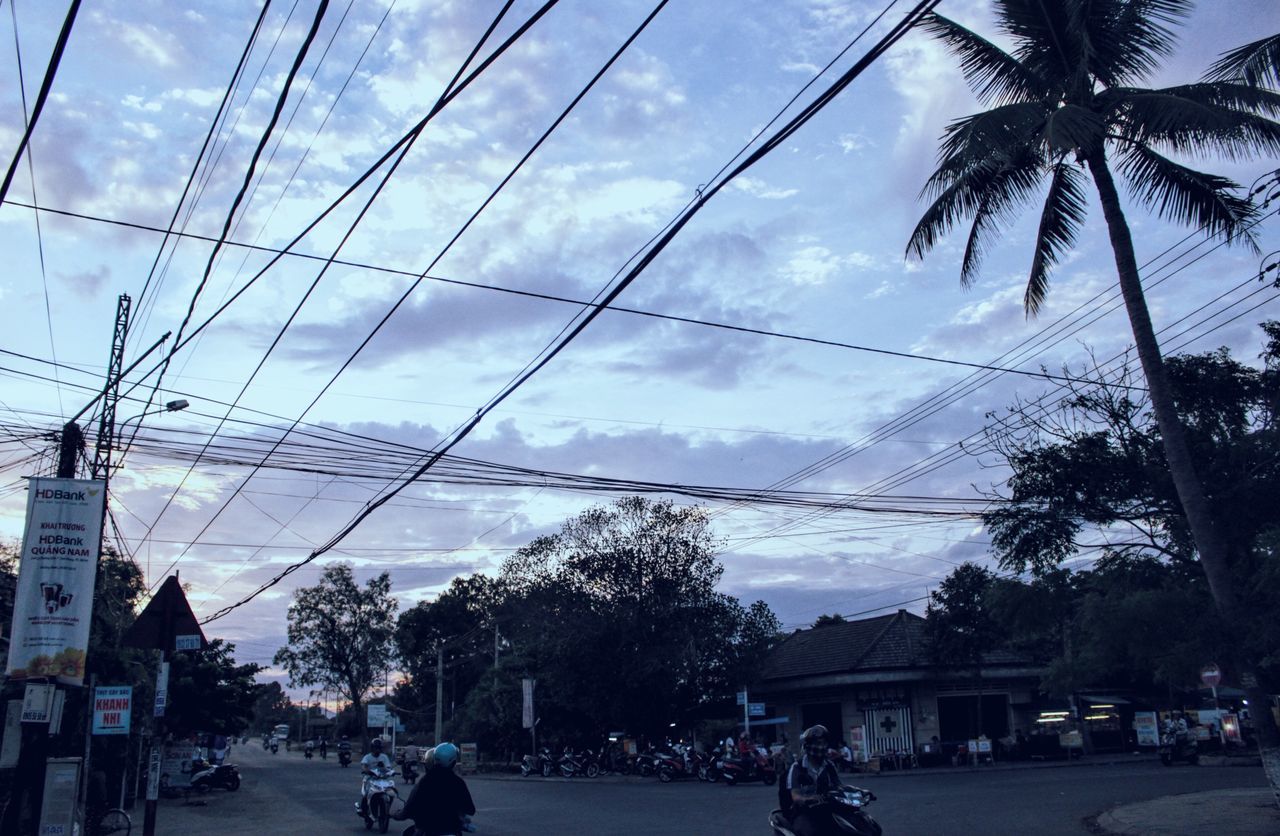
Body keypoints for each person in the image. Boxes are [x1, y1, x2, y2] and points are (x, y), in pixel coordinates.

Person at [395, 741, 476, 835]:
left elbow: (410, 806)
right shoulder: (458, 782)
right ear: (453, 763)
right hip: (452, 830)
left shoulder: (425, 781)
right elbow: (470, 809)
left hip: (429, 830)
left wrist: (398, 814)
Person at [780, 725, 843, 836]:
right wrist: (808, 799)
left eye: (824, 743)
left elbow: (840, 787)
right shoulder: (797, 768)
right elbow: (795, 796)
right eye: (817, 743)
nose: (821, 747)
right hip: (803, 812)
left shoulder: (829, 766)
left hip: (827, 809)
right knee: (809, 832)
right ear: (808, 745)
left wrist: (858, 793)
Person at [357, 737, 394, 818]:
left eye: (379, 748)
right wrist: (366, 770)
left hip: (382, 779)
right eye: (376, 748)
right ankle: (363, 809)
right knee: (366, 793)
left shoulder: (384, 757)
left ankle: (387, 809)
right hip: (370, 779)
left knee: (391, 793)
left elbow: (388, 767)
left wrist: (390, 771)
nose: (377, 750)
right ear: (372, 748)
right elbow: (364, 766)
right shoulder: (367, 757)